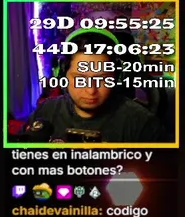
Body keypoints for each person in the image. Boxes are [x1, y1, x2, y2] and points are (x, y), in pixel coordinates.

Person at [23, 31, 168, 143]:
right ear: (63, 74)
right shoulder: (45, 112)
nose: (91, 90)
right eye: (80, 78)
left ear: (116, 77)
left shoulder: (143, 125)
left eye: (102, 79)